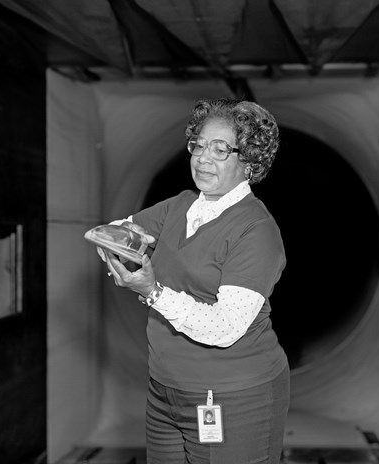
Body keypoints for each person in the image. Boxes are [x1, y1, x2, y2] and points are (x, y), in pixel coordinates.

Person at [99, 98, 289, 464]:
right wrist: (115, 241)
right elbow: (125, 229)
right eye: (198, 145)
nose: (203, 158)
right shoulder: (180, 205)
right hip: (165, 392)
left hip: (235, 397)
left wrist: (151, 291)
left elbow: (225, 326)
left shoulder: (256, 230)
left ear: (249, 161)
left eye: (220, 150)